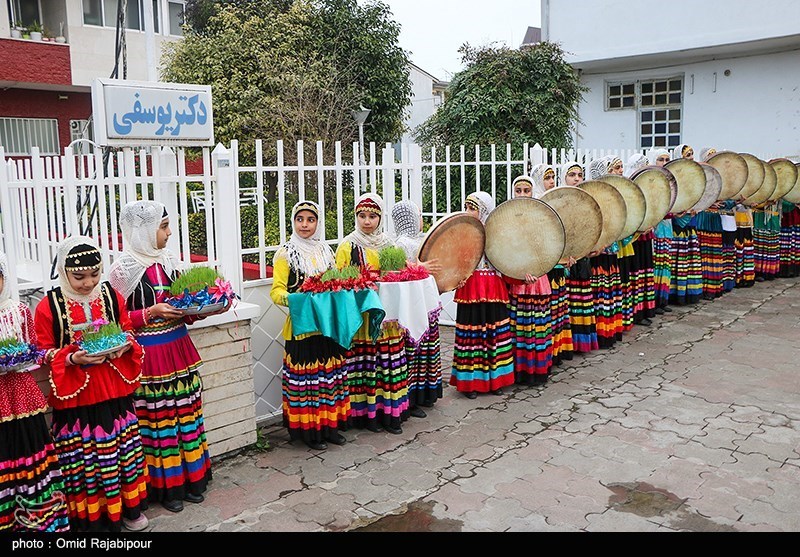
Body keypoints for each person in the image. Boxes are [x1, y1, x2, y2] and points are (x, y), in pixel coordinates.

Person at [34, 236, 149, 532]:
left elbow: (125, 329)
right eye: (79, 276)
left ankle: (130, 509)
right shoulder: (50, 306)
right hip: (76, 397)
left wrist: (124, 345)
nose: (88, 283)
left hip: (113, 388)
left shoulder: (110, 296)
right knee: (85, 459)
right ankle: (93, 519)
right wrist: (72, 358)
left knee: (122, 451)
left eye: (94, 274)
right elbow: (42, 350)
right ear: (63, 271)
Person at [108, 201, 213, 513]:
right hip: (149, 357)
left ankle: (194, 478)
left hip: (179, 348)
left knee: (187, 414)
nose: (169, 233)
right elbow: (114, 320)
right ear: (143, 230)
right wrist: (148, 313)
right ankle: (168, 489)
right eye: (163, 227)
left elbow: (185, 302)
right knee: (159, 422)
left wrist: (199, 309)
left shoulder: (168, 262)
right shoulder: (122, 270)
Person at [268, 200, 350, 451]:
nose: (305, 225)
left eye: (311, 219)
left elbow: (335, 281)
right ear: (293, 222)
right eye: (300, 219)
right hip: (303, 329)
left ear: (318, 222)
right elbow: (276, 292)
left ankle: (330, 427)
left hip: (326, 326)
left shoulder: (326, 250)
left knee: (328, 378)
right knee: (308, 381)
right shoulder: (286, 253)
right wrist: (299, 298)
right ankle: (309, 431)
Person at [0, 251, 69, 533]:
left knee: (29, 451)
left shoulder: (18, 311)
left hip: (19, 394)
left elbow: (33, 351)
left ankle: (37, 523)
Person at [336, 193, 408, 435]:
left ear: (380, 217)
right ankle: (366, 416)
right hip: (363, 317)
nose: (367, 221)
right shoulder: (348, 245)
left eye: (373, 216)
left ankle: (390, 412)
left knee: (387, 361)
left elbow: (399, 274)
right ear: (356, 217)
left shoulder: (389, 245)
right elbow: (340, 280)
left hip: (387, 316)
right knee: (365, 363)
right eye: (362, 216)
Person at [450, 191, 515, 399]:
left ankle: (496, 380)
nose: (468, 212)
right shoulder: (464, 233)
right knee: (473, 335)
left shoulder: (496, 234)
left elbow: (508, 261)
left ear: (485, 210)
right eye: (466, 207)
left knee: (494, 335)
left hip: (494, 287)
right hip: (471, 288)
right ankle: (471, 383)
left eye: (473, 208)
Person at [390, 200, 443, 417]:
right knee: (414, 349)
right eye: (418, 215)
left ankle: (425, 393)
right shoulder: (400, 244)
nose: (421, 219)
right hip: (412, 305)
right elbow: (396, 272)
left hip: (425, 301)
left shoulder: (419, 240)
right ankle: (411, 399)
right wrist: (416, 267)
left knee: (427, 349)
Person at [505, 176, 554, 386]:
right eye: (518, 190)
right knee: (519, 328)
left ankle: (538, 370)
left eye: (527, 190)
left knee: (537, 326)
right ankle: (519, 371)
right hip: (517, 280)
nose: (523, 195)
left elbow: (550, 247)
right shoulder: (505, 220)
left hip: (538, 278)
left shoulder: (542, 219)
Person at [532, 164, 574, 367]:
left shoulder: (558, 202)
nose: (551, 181)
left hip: (559, 266)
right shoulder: (536, 204)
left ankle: (557, 352)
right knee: (546, 314)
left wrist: (568, 257)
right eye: (547, 178)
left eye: (552, 177)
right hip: (544, 267)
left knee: (558, 312)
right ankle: (547, 354)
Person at [561, 162, 599, 353]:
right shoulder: (558, 201)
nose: (576, 178)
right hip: (562, 259)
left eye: (580, 175)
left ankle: (581, 342)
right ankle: (568, 345)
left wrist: (593, 247)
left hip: (582, 256)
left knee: (580, 298)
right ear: (564, 178)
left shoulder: (587, 202)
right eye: (572, 175)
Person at [669, 144, 703, 305]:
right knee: (678, 259)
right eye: (687, 154)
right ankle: (676, 294)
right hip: (678, 222)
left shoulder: (695, 177)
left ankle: (690, 292)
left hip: (691, 221)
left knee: (689, 259)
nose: (691, 157)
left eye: (692, 154)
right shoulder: (673, 178)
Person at [647, 148, 674, 313]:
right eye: (660, 159)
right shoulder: (650, 180)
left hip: (667, 226)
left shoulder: (670, 182)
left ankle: (663, 299)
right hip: (655, 227)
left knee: (665, 264)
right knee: (655, 264)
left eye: (666, 159)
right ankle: (654, 301)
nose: (664, 163)